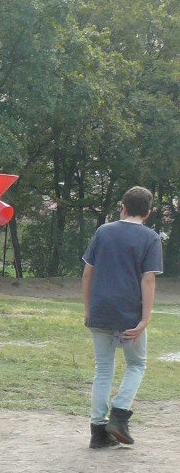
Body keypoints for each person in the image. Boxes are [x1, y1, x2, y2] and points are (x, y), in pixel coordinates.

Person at [83, 186, 162, 449]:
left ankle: (98, 432)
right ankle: (119, 414)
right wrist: (145, 319)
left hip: (101, 310)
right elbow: (148, 279)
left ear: (123, 207)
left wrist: (88, 308)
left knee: (103, 369)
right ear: (148, 213)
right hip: (130, 313)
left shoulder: (103, 231)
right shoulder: (150, 238)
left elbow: (88, 273)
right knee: (137, 365)